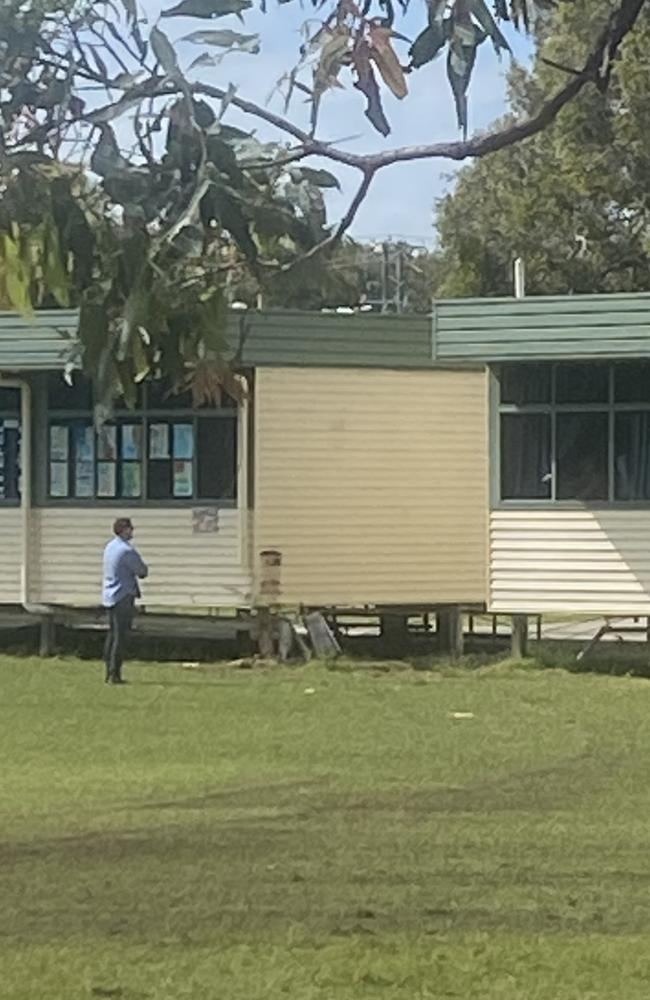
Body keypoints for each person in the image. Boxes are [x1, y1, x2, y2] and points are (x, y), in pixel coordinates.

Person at [102, 517, 148, 684]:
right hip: (123, 596)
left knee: (112, 635)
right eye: (130, 529)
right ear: (124, 530)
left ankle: (108, 671)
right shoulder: (126, 551)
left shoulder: (110, 547)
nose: (132, 532)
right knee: (120, 637)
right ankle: (115, 674)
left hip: (109, 596)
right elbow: (142, 571)